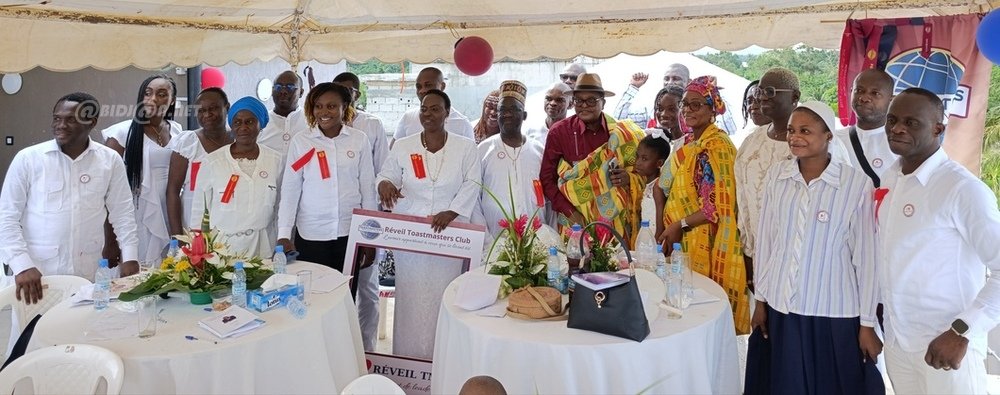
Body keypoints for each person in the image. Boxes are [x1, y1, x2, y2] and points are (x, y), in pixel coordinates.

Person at [745, 101, 883, 394]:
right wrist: (761, 301)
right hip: (782, 307)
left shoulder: (855, 184)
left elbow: (867, 259)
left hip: (834, 312)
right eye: (792, 130)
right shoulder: (777, 177)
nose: (795, 137)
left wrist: (868, 323)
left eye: (805, 131)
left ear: (828, 135)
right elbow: (766, 243)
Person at [874, 88, 1000, 393]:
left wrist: (962, 331)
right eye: (892, 120)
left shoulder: (962, 189)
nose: (897, 128)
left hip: (947, 344)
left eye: (911, 122)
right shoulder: (891, 178)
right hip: (899, 342)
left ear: (938, 129)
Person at [0, 92, 139, 304]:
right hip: (38, 275)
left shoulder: (109, 160)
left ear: (91, 121)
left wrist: (130, 257)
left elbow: (123, 213)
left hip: (88, 274)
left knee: (83, 332)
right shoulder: (29, 159)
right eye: (57, 118)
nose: (61, 125)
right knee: (32, 334)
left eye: (70, 119)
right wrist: (21, 265)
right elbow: (7, 217)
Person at [377, 89, 480, 359]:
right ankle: (408, 361)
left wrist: (454, 211)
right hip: (411, 239)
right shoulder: (403, 145)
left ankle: (445, 359)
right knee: (410, 301)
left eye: (435, 109)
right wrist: (385, 184)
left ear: (447, 113)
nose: (428, 114)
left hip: (449, 237)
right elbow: (385, 174)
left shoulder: (465, 146)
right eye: (424, 108)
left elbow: (473, 182)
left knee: (446, 297)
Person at [734, 68, 851, 294]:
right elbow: (743, 202)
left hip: (809, 260)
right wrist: (748, 254)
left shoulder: (823, 144)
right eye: (759, 91)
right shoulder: (751, 142)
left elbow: (842, 201)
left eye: (770, 91)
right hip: (761, 253)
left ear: (794, 97)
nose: (761, 98)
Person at [659, 76, 750, 334]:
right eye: (685, 104)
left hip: (703, 237)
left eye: (696, 105)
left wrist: (679, 223)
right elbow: (662, 185)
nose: (687, 110)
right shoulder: (690, 143)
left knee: (703, 309)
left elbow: (715, 208)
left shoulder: (717, 147)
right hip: (681, 236)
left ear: (713, 109)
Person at [278, 82, 377, 272]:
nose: (324, 111)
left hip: (349, 232)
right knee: (312, 294)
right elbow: (291, 190)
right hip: (311, 233)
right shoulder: (302, 141)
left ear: (345, 107)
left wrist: (369, 237)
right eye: (318, 106)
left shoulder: (359, 139)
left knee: (346, 293)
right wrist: (283, 234)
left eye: (331, 106)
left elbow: (368, 190)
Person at [538, 73, 645, 245]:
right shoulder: (560, 132)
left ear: (603, 102)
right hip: (574, 220)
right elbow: (547, 178)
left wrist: (628, 178)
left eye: (591, 101)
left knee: (615, 270)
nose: (584, 106)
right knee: (575, 268)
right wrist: (569, 212)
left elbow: (644, 172)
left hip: (614, 221)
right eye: (579, 101)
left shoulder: (621, 133)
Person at [332, 71, 387, 353]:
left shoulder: (372, 125)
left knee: (367, 286)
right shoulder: (322, 128)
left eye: (349, 91)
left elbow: (380, 176)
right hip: (333, 223)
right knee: (337, 289)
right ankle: (340, 349)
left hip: (367, 218)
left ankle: (367, 351)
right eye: (337, 91)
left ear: (357, 95)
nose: (343, 96)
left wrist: (374, 224)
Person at [104, 75, 182, 269]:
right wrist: (111, 241)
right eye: (148, 93)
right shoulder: (122, 133)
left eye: (162, 94)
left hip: (170, 212)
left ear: (172, 100)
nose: (153, 99)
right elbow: (106, 192)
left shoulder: (178, 131)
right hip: (137, 213)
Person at [191, 97, 282, 258]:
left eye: (250, 122)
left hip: (264, 247)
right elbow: (199, 209)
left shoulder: (275, 160)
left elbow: (282, 206)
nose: (243, 128)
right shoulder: (212, 161)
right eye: (237, 122)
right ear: (231, 126)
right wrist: (197, 245)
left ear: (261, 124)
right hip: (222, 249)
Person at [474, 80, 549, 240]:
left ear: (524, 115)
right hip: (494, 239)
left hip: (536, 238)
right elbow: (474, 199)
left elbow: (549, 197)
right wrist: (485, 238)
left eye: (513, 109)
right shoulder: (483, 150)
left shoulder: (539, 150)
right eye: (502, 110)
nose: (506, 114)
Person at [166, 88, 232, 236]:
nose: (207, 115)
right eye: (201, 111)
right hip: (193, 227)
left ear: (226, 108)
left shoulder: (237, 141)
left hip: (230, 225)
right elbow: (172, 191)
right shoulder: (187, 143)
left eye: (213, 108)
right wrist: (177, 237)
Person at [835, 68, 898, 182]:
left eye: (875, 93)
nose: (864, 98)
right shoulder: (834, 139)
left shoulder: (901, 143)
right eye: (859, 90)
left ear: (891, 100)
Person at [393, 67, 474, 143]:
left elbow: (470, 155)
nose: (422, 90)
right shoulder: (408, 117)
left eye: (428, 85)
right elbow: (393, 153)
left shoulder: (462, 123)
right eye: (419, 87)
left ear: (442, 86)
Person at [612, 63, 690, 127]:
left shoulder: (695, 112)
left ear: (689, 82)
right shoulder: (652, 112)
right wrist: (633, 87)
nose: (669, 82)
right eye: (666, 79)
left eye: (676, 79)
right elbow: (619, 121)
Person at [257, 70, 308, 164]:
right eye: (278, 87)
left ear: (301, 92)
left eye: (290, 87)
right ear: (272, 91)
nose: (283, 91)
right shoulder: (260, 122)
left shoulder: (311, 121)